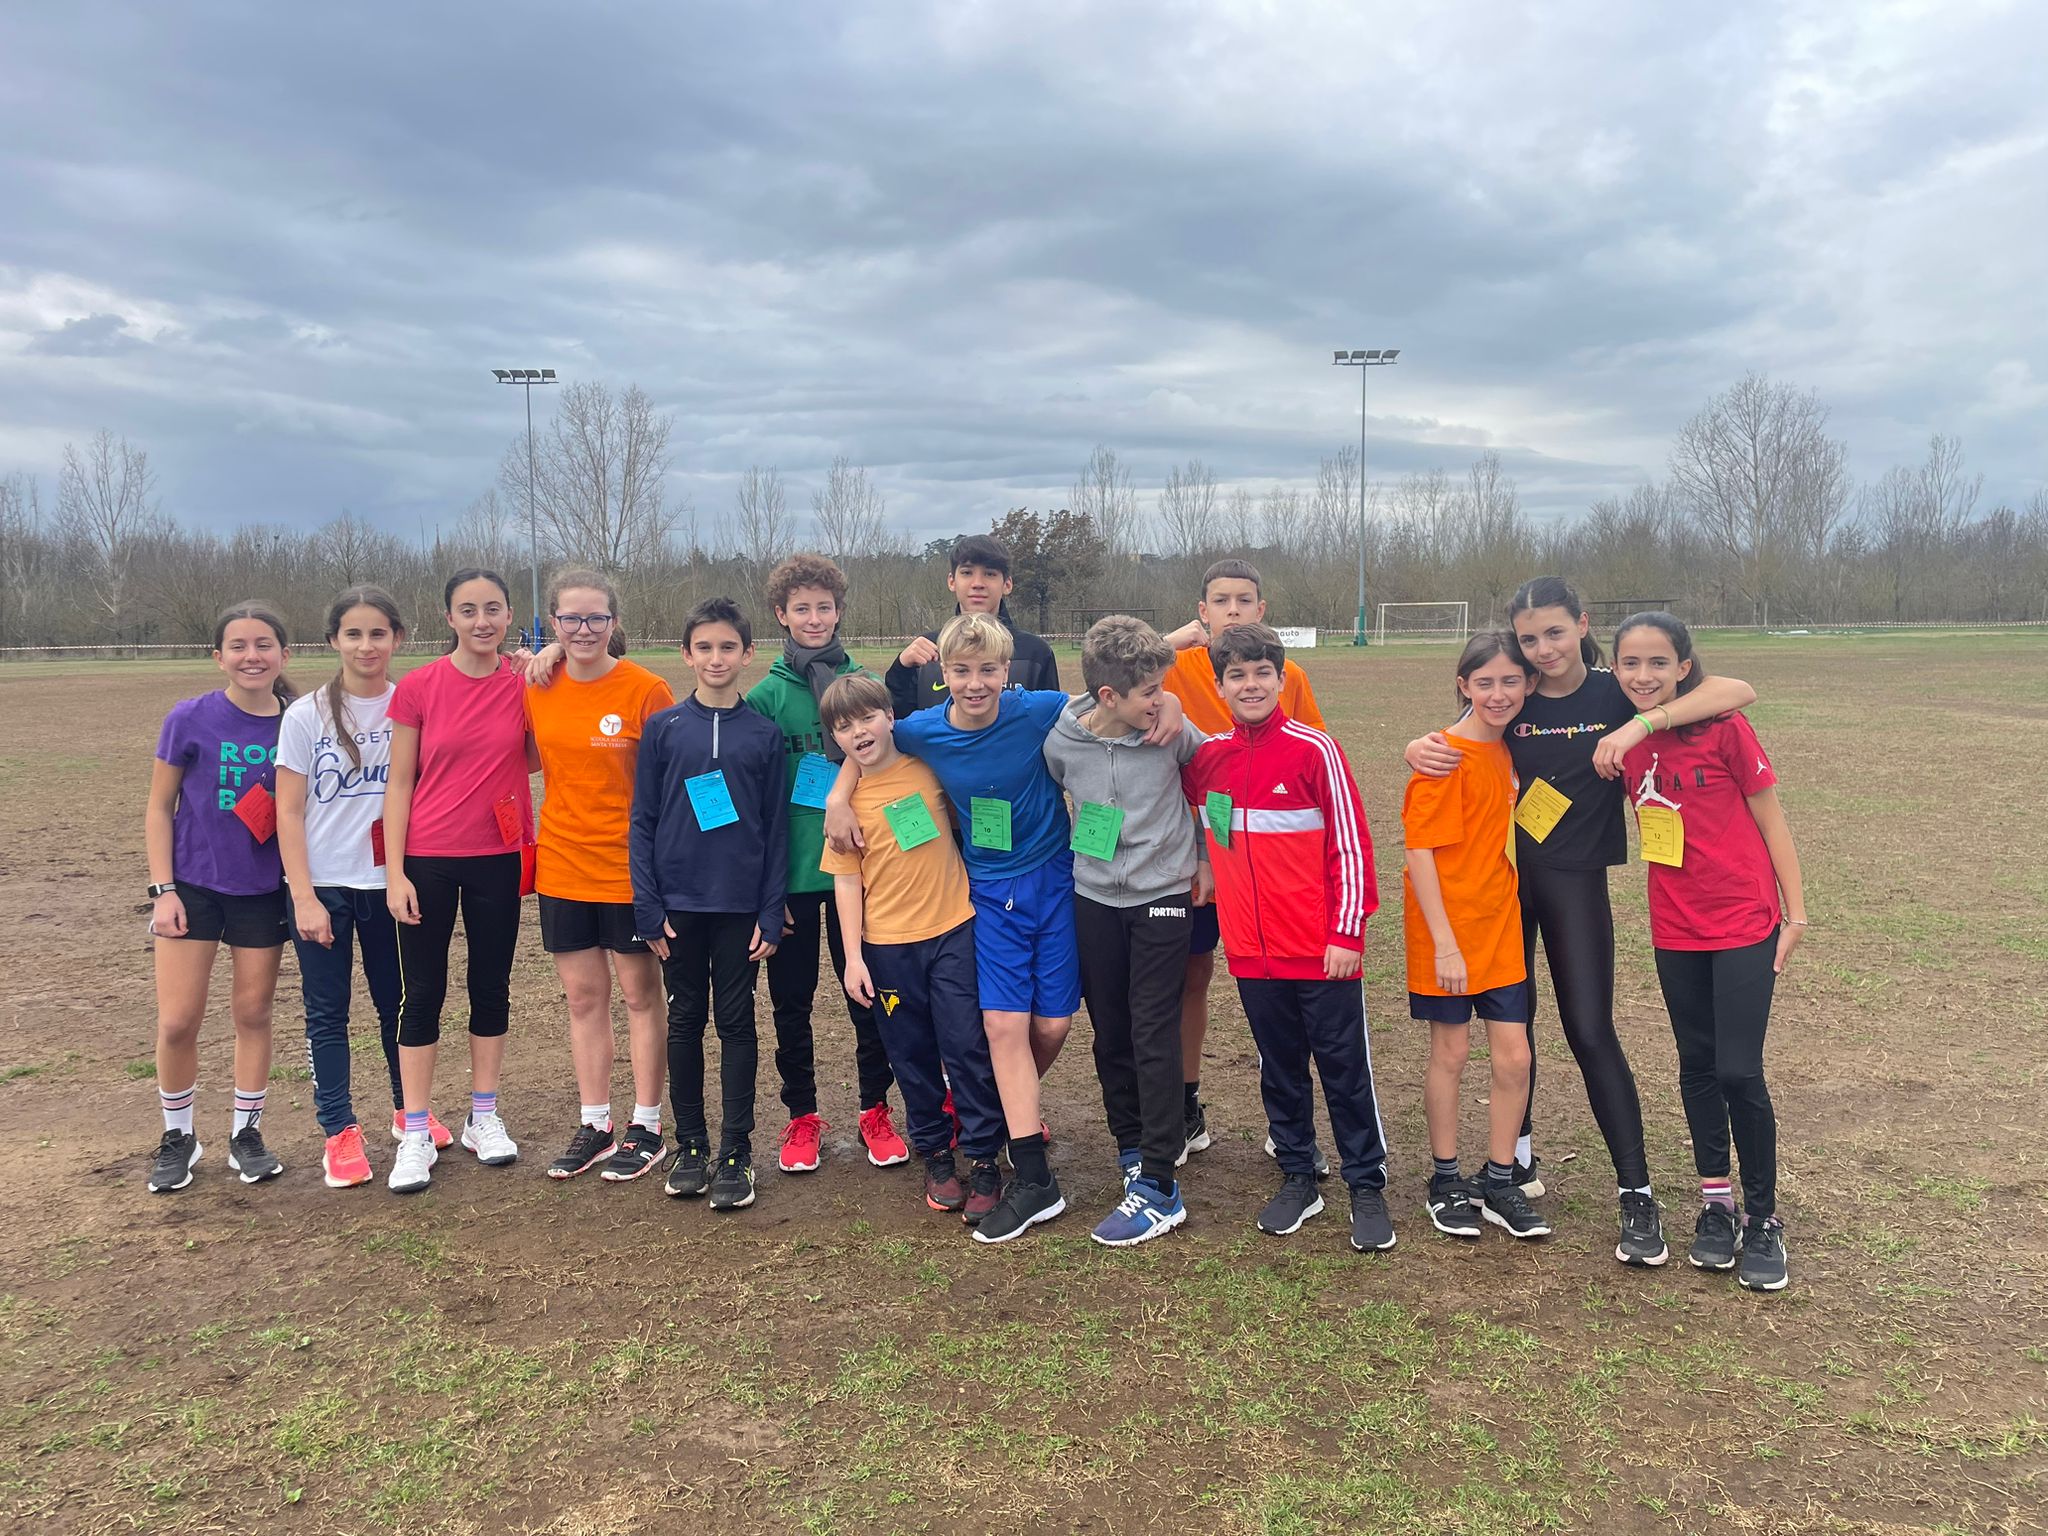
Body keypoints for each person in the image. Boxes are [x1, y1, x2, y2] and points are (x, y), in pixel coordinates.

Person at [1404, 576, 1759, 1268]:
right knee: (1514, 1030)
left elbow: (1735, 690)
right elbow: (1464, 735)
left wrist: (1637, 724)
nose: (1543, 649)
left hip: (1574, 883)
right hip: (1503, 889)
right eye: (1530, 638)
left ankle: (1636, 1194)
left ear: (1582, 625)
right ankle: (1515, 1163)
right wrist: (1418, 747)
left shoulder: (1615, 690)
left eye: (1555, 633)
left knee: (1590, 1031)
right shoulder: (1518, 693)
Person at [829, 612, 1175, 1245]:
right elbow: (867, 742)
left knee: (1052, 1026)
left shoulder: (1038, 709)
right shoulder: (924, 729)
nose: (975, 684)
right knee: (1002, 1025)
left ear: (1006, 671)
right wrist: (835, 796)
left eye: (988, 670)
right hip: (987, 896)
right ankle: (1033, 1171)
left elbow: (1113, 693)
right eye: (961, 671)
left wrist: (1169, 700)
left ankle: (995, 1109)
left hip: (1056, 881)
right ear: (943, 673)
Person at [1182, 623, 1395, 1253]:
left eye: (1262, 674)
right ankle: (1299, 1174)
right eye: (1237, 676)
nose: (1250, 685)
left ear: (1281, 680)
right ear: (1220, 686)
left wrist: (1346, 933)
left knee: (1343, 1069)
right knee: (1278, 1069)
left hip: (1322, 950)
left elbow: (1351, 845)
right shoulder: (1209, 758)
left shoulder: (1314, 750)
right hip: (1252, 953)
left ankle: (1365, 1183)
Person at [1614, 613, 1805, 1292]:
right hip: (1675, 927)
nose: (1644, 676)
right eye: (1630, 663)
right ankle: (1717, 1205)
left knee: (1738, 1070)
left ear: (1683, 667)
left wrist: (1796, 912)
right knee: (1696, 1064)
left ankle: (1763, 1218)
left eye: (1659, 663)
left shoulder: (1723, 725)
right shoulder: (1621, 740)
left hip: (1744, 920)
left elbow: (1771, 817)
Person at [1042, 616, 1208, 1246]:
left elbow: (1212, 780)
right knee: (1110, 1030)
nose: (1161, 699)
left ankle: (1161, 1185)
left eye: (1163, 689)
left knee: (1152, 1029)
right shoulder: (1061, 741)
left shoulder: (1171, 729)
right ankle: (1133, 1149)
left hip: (1163, 895)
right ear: (1108, 696)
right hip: (1092, 899)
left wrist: (1206, 857)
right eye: (1149, 692)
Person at [818, 674, 1007, 1226]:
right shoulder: (844, 807)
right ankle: (937, 1156)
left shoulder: (928, 767)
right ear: (835, 738)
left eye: (867, 718)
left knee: (966, 1047)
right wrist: (854, 957)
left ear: (890, 716)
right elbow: (847, 882)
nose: (859, 732)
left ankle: (984, 1157)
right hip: (887, 948)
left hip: (953, 931)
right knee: (912, 1056)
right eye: (844, 727)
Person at [1160, 558, 1328, 1167]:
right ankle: (1186, 1105)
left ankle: (1291, 1122)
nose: (1233, 610)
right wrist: (1167, 646)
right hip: (1193, 855)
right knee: (1191, 977)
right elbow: (1108, 677)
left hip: (1270, 860)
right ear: (1201, 612)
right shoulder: (1173, 667)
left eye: (1244, 600)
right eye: (1220, 601)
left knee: (1282, 986)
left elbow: (1316, 761)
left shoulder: (1289, 677)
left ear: (1262, 610)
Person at [745, 553, 907, 1174]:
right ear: (781, 615)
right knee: (792, 1002)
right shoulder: (766, 697)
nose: (813, 618)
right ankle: (801, 1116)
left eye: (824, 607)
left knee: (868, 994)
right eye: (801, 609)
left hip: (861, 874)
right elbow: (755, 800)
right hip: (792, 877)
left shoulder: (865, 686)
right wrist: (766, 891)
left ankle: (875, 1109)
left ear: (839, 612)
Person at [631, 597, 787, 1212]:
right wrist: (648, 905)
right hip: (678, 907)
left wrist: (770, 909)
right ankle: (691, 1145)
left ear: (747, 654)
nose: (716, 658)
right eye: (704, 648)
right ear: (686, 654)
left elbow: (775, 829)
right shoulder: (664, 728)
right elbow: (643, 821)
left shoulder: (764, 734)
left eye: (728, 647)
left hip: (741, 909)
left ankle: (736, 1150)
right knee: (684, 1021)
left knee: (737, 1023)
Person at [383, 569, 535, 1193]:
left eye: (493, 608)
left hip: (497, 855)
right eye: (468, 610)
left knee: (490, 985)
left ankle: (483, 1116)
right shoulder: (419, 687)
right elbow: (399, 782)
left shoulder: (525, 684)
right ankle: (416, 1130)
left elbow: (536, 751)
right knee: (422, 992)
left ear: (509, 616)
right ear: (449, 618)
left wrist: (545, 658)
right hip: (428, 858)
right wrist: (395, 872)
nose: (482, 621)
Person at [276, 586, 431, 1190]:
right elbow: (289, 812)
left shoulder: (412, 703)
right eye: (353, 634)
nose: (367, 646)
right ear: (333, 641)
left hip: (389, 883)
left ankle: (408, 1113)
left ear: (398, 638)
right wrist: (303, 896)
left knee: (400, 1004)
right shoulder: (305, 714)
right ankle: (338, 1131)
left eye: (378, 634)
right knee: (327, 1012)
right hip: (325, 886)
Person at [524, 569, 676, 1182]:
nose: (583, 629)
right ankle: (596, 1124)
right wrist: (543, 658)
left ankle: (647, 1125)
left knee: (641, 997)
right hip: (562, 866)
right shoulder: (537, 685)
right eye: (571, 619)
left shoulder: (646, 690)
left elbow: (672, 784)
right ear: (553, 623)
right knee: (584, 999)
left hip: (629, 872)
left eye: (595, 618)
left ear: (614, 622)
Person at [144, 602, 296, 1193]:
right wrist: (163, 890)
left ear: (284, 654)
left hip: (263, 892)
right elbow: (160, 807)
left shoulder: (298, 723)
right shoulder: (190, 718)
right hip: (193, 888)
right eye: (238, 646)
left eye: (263, 645)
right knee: (178, 1020)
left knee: (253, 1014)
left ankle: (245, 1134)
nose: (251, 656)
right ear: (219, 656)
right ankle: (178, 1136)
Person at [1402, 633, 1547, 1242]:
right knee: (1452, 1053)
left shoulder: (1511, 748)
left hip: (1500, 927)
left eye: (1511, 681)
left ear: (1528, 684)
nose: (1498, 693)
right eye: (1484, 682)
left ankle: (1499, 1179)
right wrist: (1445, 943)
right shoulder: (1442, 757)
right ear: (1464, 685)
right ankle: (1444, 1179)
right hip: (1447, 934)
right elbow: (1419, 853)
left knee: (1515, 1057)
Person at [884, 533, 1060, 719]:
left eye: (990, 574)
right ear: (952, 581)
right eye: (967, 573)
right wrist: (900, 669)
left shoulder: (1035, 653)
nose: (977, 584)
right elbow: (895, 723)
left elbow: (1051, 722)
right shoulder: (924, 651)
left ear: (1007, 584)